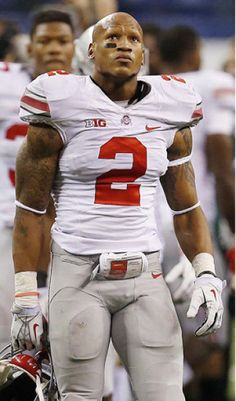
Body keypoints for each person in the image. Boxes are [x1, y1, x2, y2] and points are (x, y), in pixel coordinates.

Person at [11, 12, 226, 401]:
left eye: (133, 38)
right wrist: (26, 293)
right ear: (90, 50)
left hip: (146, 273)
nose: (123, 44)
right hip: (79, 274)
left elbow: (186, 206)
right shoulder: (60, 103)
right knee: (82, 395)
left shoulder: (170, 106)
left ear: (144, 53)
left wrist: (206, 271)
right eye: (111, 38)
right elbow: (31, 209)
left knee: (165, 395)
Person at [0, 8, 75, 400]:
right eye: (44, 41)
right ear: (29, 46)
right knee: (10, 363)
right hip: (9, 233)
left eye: (62, 40)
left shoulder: (94, 95)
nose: (52, 49)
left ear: (77, 46)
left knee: (77, 367)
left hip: (75, 242)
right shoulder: (6, 83)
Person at [158, 25, 235, 401]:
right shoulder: (213, 83)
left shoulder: (148, 86)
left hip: (143, 230)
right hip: (191, 228)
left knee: (160, 345)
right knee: (208, 344)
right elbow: (221, 166)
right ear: (197, 52)